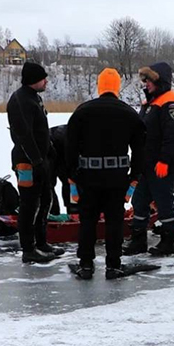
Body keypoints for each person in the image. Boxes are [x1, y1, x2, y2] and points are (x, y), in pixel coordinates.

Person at [65, 68, 147, 280]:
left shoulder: (82, 112)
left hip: (89, 176)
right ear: (117, 87)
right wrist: (134, 178)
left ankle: (85, 264)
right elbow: (140, 150)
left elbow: (69, 147)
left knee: (88, 220)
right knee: (114, 221)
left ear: (99, 86)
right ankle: (113, 265)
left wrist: (72, 175)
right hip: (117, 178)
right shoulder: (129, 113)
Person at [122, 61, 174, 257]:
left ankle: (169, 241)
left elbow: (173, 136)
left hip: (161, 164)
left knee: (163, 200)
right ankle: (138, 239)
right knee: (140, 200)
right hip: (146, 163)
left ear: (160, 80)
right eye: (145, 80)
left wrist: (165, 161)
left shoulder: (171, 103)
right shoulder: (151, 103)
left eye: (148, 80)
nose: (145, 84)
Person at [6, 61, 64, 263]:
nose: (46, 81)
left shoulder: (34, 98)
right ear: (34, 80)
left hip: (42, 159)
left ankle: (41, 242)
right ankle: (28, 249)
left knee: (46, 199)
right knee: (30, 204)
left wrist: (49, 153)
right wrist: (37, 161)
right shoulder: (20, 100)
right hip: (27, 162)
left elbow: (39, 132)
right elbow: (24, 135)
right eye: (43, 78)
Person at [47, 124, 77, 215]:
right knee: (48, 184)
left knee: (71, 182)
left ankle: (73, 210)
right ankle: (53, 213)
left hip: (62, 145)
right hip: (52, 146)